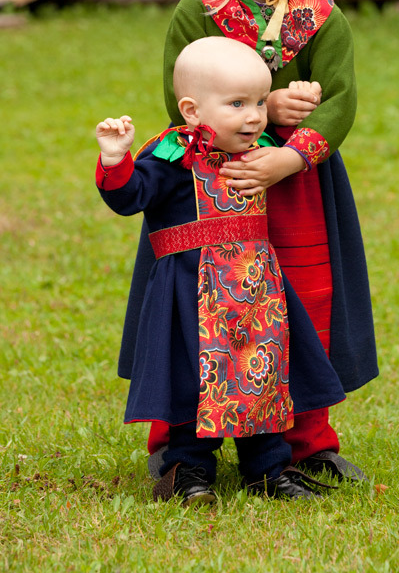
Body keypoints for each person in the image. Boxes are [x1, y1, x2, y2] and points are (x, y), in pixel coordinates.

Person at [122, 0, 379, 483]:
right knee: (193, 302)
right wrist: (269, 114)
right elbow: (179, 97)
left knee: (301, 302)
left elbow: (341, 98)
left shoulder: (321, 16)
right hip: (211, 187)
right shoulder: (198, 10)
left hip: (293, 185)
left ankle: (302, 440)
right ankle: (176, 439)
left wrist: (289, 153)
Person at [96, 37, 346, 504]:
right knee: (195, 378)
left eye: (258, 102)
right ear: (191, 110)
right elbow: (130, 197)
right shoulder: (172, 156)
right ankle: (188, 472)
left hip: (257, 290)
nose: (254, 115)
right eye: (237, 104)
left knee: (263, 374)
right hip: (190, 293)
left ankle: (269, 470)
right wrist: (116, 160)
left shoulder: (262, 155)